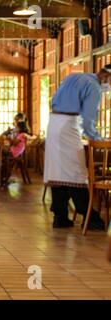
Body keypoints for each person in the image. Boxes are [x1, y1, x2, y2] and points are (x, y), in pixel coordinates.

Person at [44, 65, 111, 229]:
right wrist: (98, 139)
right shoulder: (94, 87)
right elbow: (88, 119)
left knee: (58, 172)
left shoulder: (73, 77)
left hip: (54, 123)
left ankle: (60, 216)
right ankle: (90, 217)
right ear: (106, 76)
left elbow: (53, 100)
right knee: (76, 172)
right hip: (68, 125)